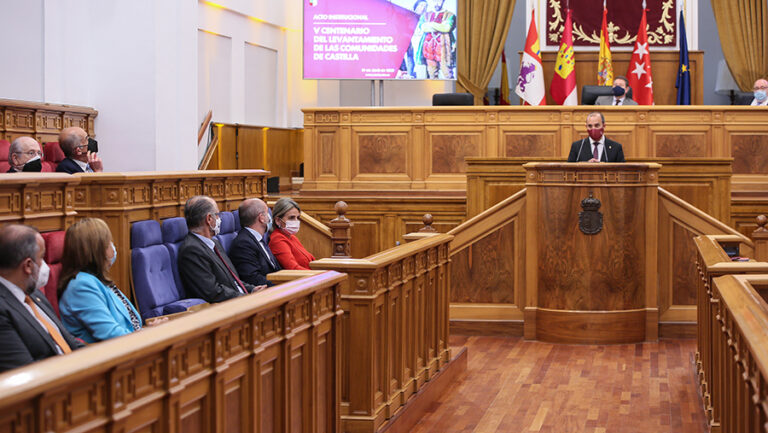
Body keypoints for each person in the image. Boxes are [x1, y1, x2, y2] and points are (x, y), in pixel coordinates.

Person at [0, 224, 83, 372]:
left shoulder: (34, 294)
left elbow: (69, 342)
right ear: (28, 266)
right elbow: (25, 373)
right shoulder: (2, 310)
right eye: (42, 258)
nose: (45, 265)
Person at [58, 218, 143, 343]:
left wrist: (149, 331)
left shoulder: (98, 279)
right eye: (109, 243)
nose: (113, 248)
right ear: (96, 250)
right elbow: (111, 335)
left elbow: (132, 324)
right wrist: (148, 336)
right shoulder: (81, 286)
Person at [178, 195, 257, 302]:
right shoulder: (192, 250)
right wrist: (248, 298)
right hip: (222, 309)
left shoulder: (214, 243)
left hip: (238, 300)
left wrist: (252, 290)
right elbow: (213, 292)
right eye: (218, 215)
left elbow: (232, 280)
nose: (220, 219)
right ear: (209, 219)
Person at [230, 198, 281, 287]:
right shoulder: (243, 244)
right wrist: (282, 285)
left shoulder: (259, 239)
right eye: (267, 213)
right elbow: (252, 278)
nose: (270, 217)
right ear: (261, 218)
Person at [269, 197, 316, 270]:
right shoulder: (277, 240)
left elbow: (311, 260)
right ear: (278, 220)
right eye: (291, 218)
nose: (296, 221)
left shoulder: (292, 237)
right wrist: (318, 275)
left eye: (298, 218)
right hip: (302, 279)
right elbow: (293, 268)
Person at [421, 0, 456, 79]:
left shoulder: (450, 15)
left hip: (444, 50)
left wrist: (431, 24)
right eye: (435, 1)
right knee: (431, 73)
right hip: (429, 49)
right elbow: (423, 28)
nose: (437, 3)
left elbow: (447, 28)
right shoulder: (426, 15)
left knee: (447, 73)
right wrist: (440, 26)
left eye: (439, 1)